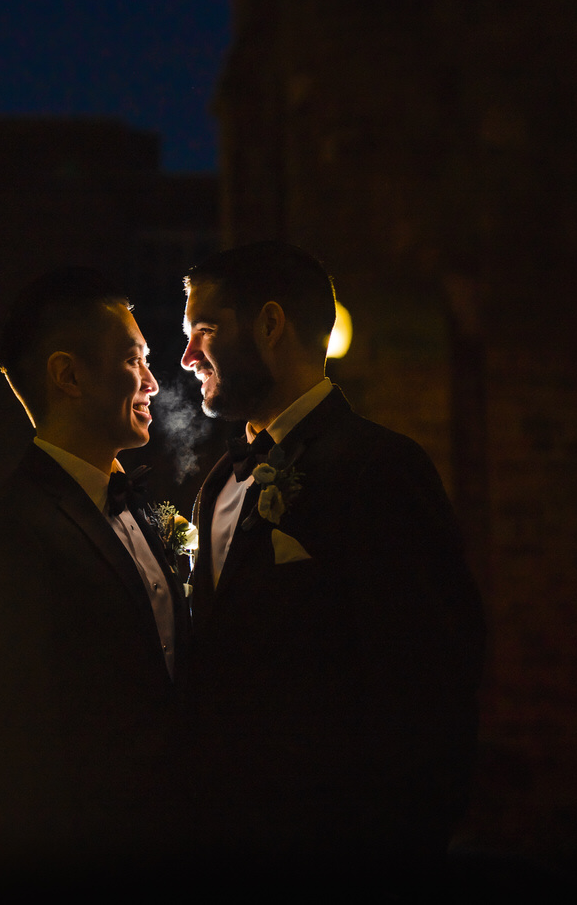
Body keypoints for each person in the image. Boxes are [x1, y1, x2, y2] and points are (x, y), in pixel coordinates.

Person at [180, 241, 486, 892]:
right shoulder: (215, 490)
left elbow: (429, 690)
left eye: (203, 331)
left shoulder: (381, 469)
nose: (186, 357)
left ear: (269, 325)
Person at [0, 268, 188, 902]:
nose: (154, 383)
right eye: (135, 359)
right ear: (68, 376)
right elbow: (8, 746)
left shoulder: (143, 512)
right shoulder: (3, 532)